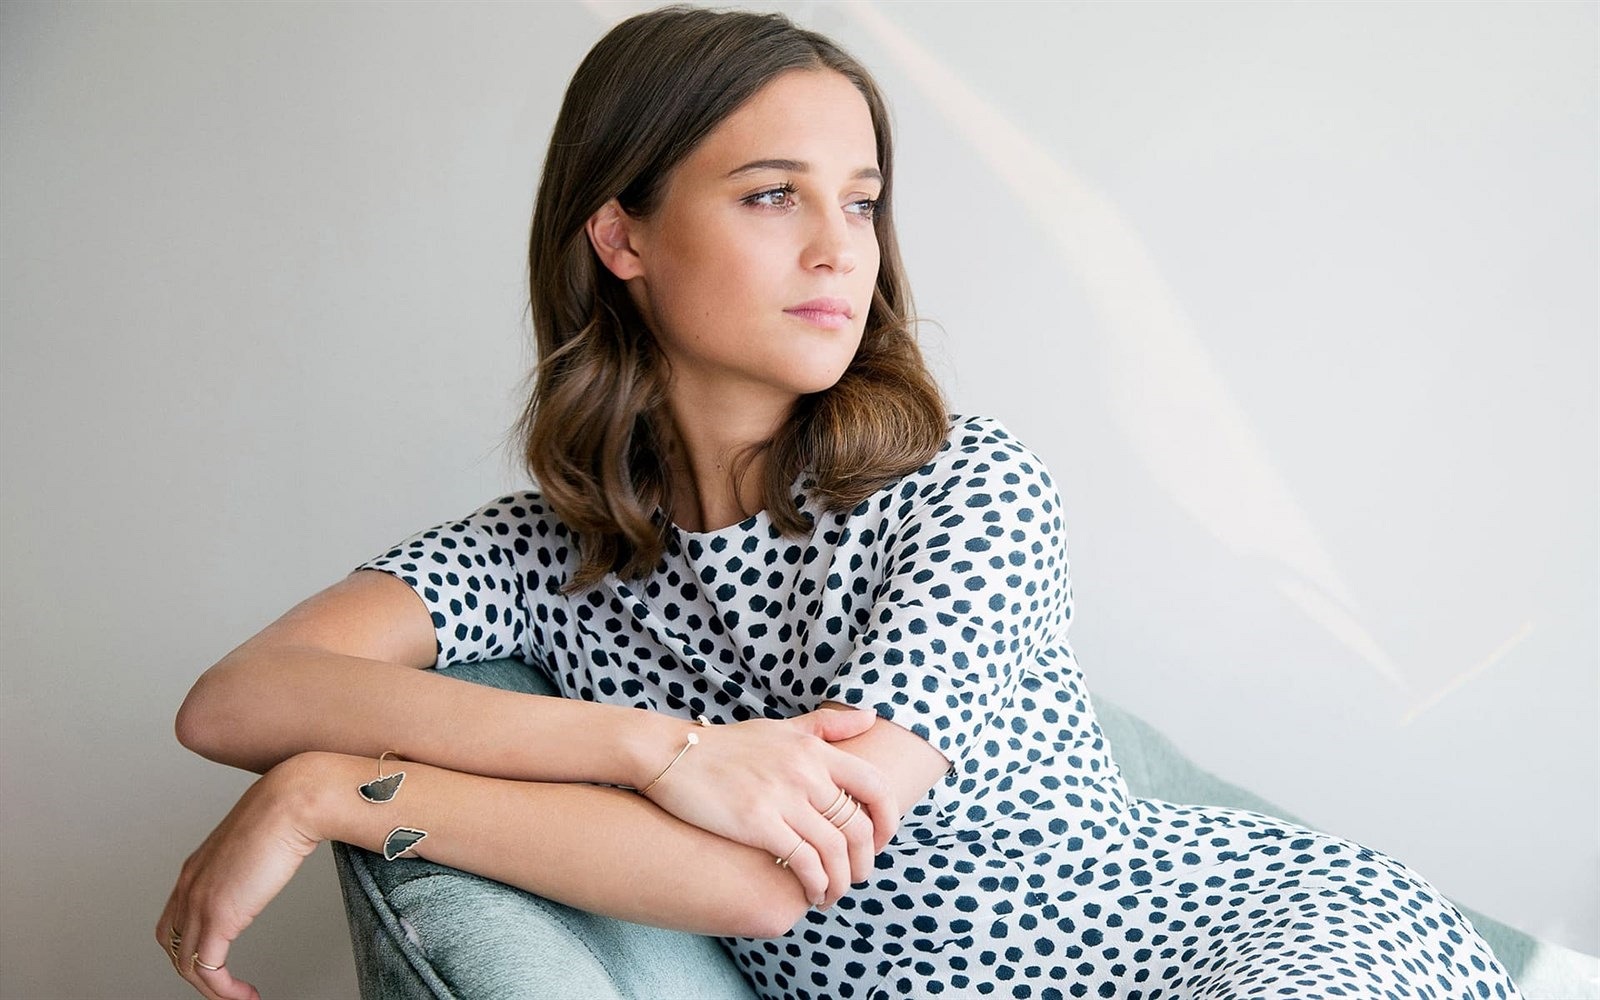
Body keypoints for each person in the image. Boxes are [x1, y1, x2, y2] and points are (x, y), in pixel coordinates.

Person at [157, 7, 1523, 1000]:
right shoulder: (543, 556)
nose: (838, 250)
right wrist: (656, 750)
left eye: (861, 203)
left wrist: (340, 792)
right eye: (772, 196)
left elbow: (772, 877)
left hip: (1239, 944)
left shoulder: (969, 490)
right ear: (621, 235)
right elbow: (233, 701)